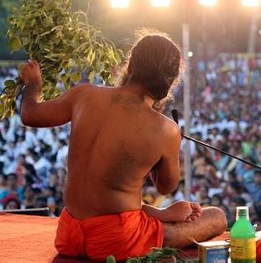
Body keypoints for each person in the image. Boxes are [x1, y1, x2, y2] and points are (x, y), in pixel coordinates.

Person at [19, 33, 227, 260]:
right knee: (217, 216)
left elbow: (30, 114)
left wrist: (34, 84)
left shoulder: (84, 94)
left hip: (68, 235)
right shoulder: (165, 128)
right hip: (117, 241)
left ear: (130, 65)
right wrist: (169, 141)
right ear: (171, 81)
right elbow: (165, 187)